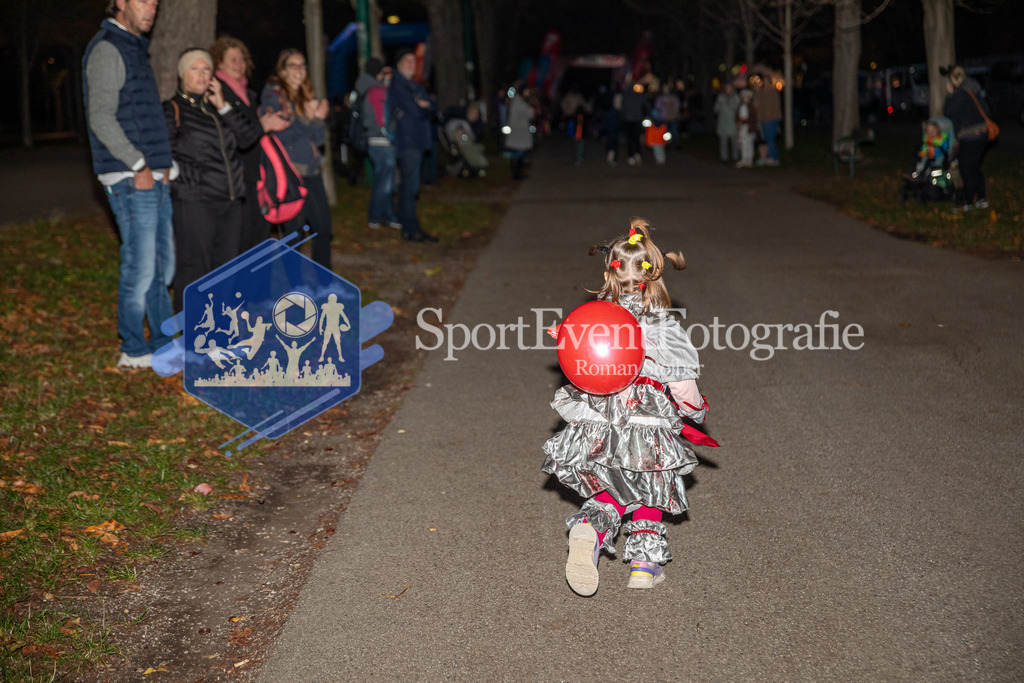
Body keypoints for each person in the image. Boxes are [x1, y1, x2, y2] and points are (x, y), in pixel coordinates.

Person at [542, 218, 713, 596]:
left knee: (612, 485)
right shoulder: (663, 326)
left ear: (609, 272)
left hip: (601, 417)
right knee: (650, 485)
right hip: (647, 418)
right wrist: (696, 410)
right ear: (654, 277)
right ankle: (643, 566)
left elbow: (579, 365)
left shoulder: (595, 317)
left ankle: (592, 527)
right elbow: (683, 384)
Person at [84, 0, 176, 369]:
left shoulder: (134, 47)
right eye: (142, 0)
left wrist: (162, 164)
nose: (151, 7)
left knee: (160, 267)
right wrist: (138, 163)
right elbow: (101, 118)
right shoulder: (108, 48)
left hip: (150, 174)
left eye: (155, 1)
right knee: (141, 266)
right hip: (128, 175)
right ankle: (134, 348)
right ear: (120, 2)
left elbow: (142, 113)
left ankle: (165, 342)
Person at [165, 48, 262, 313]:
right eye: (194, 68)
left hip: (231, 201)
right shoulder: (173, 109)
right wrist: (186, 182)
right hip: (196, 201)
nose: (201, 74)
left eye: (206, 68)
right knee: (195, 268)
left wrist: (223, 105)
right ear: (183, 74)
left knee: (226, 270)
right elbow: (164, 154)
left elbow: (250, 136)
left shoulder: (218, 108)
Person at [210, 35, 290, 252]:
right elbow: (234, 135)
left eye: (242, 59)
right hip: (234, 177)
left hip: (255, 175)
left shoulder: (249, 94)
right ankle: (240, 286)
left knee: (259, 238)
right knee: (241, 240)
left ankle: (256, 285)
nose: (240, 65)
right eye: (233, 59)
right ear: (219, 63)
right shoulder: (217, 94)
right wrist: (262, 125)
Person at [261, 49, 334, 267]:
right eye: (293, 65)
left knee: (323, 228)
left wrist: (318, 119)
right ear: (283, 70)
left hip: (311, 171)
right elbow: (282, 135)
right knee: (294, 233)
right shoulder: (273, 96)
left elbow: (319, 138)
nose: (299, 70)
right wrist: (306, 118)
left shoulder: (305, 95)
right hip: (290, 174)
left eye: (302, 65)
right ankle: (293, 285)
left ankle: (325, 280)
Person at [389, 48, 438, 242]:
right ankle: (411, 229)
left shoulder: (414, 86)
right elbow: (417, 110)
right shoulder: (398, 86)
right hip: (408, 141)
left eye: (413, 61)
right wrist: (423, 106)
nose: (411, 64)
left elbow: (432, 107)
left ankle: (409, 227)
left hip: (417, 140)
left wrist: (424, 106)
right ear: (398, 65)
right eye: (406, 61)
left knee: (411, 186)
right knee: (409, 187)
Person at [354, 57, 401, 231]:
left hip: (374, 140)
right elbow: (385, 116)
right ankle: (374, 216)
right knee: (385, 183)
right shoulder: (377, 91)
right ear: (379, 72)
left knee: (384, 180)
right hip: (381, 140)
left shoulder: (365, 88)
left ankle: (390, 217)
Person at [943, 65, 994, 212]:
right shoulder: (974, 89)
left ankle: (968, 203)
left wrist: (949, 94)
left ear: (953, 80)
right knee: (973, 168)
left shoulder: (961, 94)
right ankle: (982, 199)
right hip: (982, 133)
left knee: (966, 169)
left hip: (971, 135)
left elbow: (947, 111)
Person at [503, 83, 536, 180]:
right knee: (518, 153)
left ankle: (518, 173)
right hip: (518, 132)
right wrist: (531, 111)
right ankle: (516, 174)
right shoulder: (518, 101)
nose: (528, 93)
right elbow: (527, 113)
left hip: (519, 131)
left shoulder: (519, 101)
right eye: (527, 91)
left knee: (519, 153)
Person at [754, 66, 782, 166]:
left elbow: (771, 106)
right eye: (764, 81)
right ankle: (767, 157)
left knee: (770, 139)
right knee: (766, 138)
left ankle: (774, 158)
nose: (765, 83)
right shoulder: (762, 92)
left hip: (771, 119)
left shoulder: (772, 92)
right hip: (763, 118)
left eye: (767, 81)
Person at [620, 80, 649, 166]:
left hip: (629, 120)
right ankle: (637, 155)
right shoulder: (639, 96)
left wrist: (623, 118)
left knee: (630, 139)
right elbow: (647, 106)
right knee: (636, 138)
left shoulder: (626, 96)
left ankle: (631, 157)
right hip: (636, 120)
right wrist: (645, 115)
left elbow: (622, 109)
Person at [713, 82, 740, 163]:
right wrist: (719, 103)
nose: (728, 90)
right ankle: (724, 158)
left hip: (732, 124)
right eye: (726, 88)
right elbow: (715, 109)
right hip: (723, 124)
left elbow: (736, 108)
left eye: (729, 88)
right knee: (723, 143)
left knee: (734, 143)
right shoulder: (721, 97)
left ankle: (736, 158)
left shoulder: (736, 98)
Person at [735, 88, 758, 168]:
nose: (745, 97)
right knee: (743, 143)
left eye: (746, 96)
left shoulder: (751, 107)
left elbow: (752, 119)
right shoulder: (740, 106)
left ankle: (749, 160)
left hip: (749, 128)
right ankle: (744, 159)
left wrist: (743, 121)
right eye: (743, 96)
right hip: (742, 128)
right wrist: (738, 122)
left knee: (749, 144)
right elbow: (737, 116)